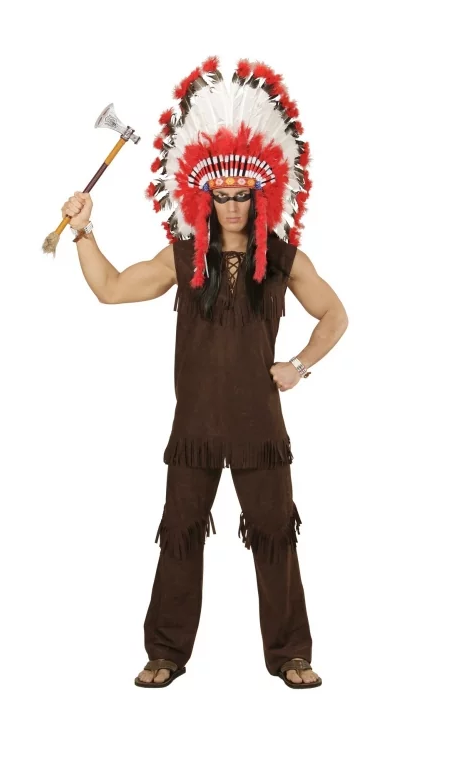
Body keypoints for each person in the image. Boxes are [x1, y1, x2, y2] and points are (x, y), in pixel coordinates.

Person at [61, 57, 348, 689]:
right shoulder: (183, 255)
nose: (233, 207)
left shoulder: (284, 259)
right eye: (222, 197)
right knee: (180, 536)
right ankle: (165, 652)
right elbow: (112, 289)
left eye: (242, 196)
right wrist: (84, 232)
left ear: (259, 195)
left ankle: (291, 654)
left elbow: (335, 315)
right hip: (193, 427)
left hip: (260, 426)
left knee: (276, 536)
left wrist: (299, 365)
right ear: (205, 197)